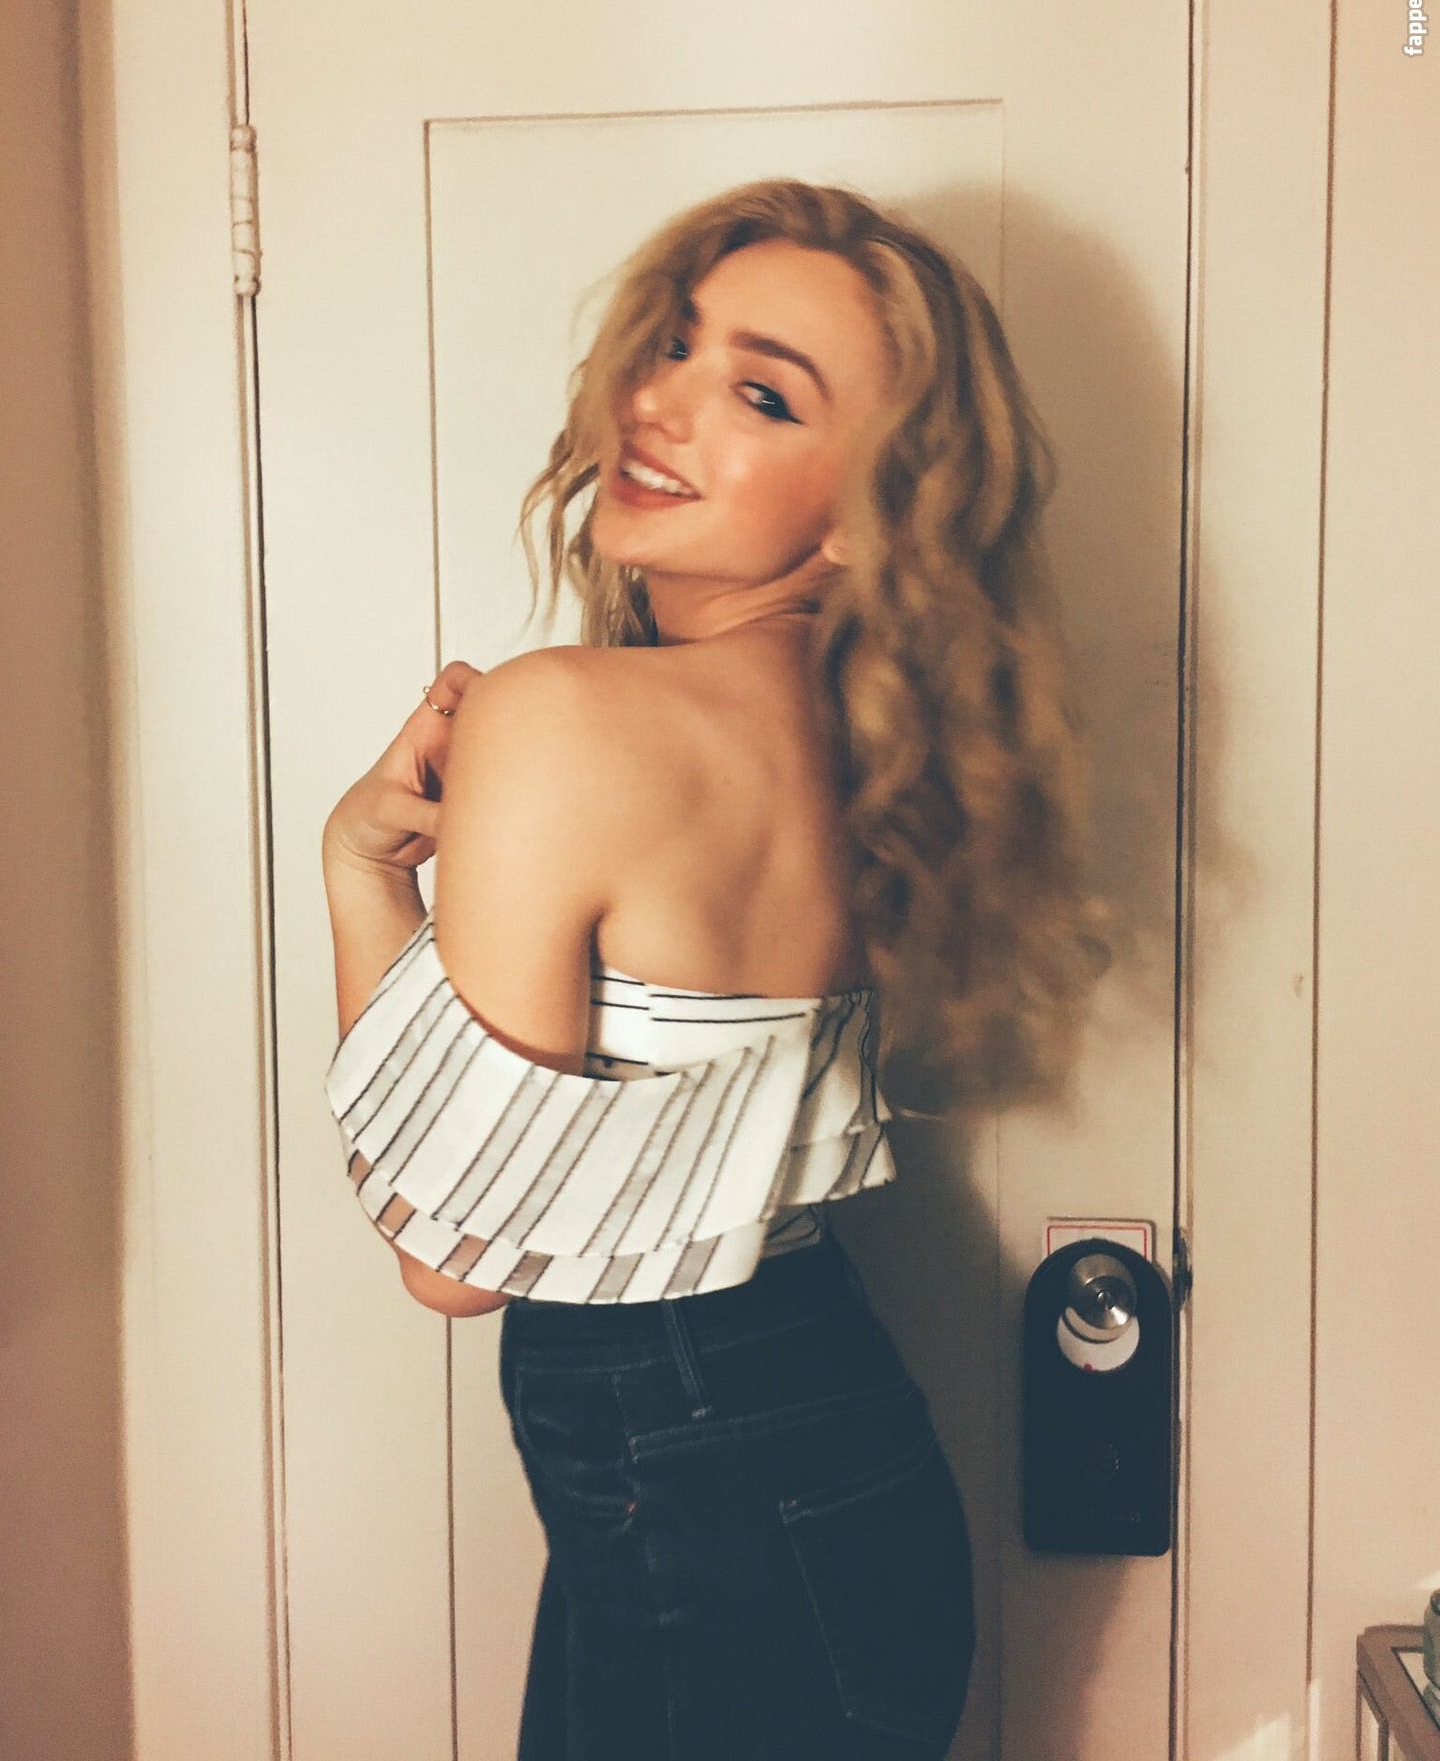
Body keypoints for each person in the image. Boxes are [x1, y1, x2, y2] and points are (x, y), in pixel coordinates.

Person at [321, 180, 1108, 1759]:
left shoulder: (565, 715)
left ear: (864, 511)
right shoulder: (874, 751)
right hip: (808, 1473)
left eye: (763, 394)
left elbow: (453, 1262)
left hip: (706, 1493)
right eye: (675, 345)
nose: (660, 401)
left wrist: (358, 870)